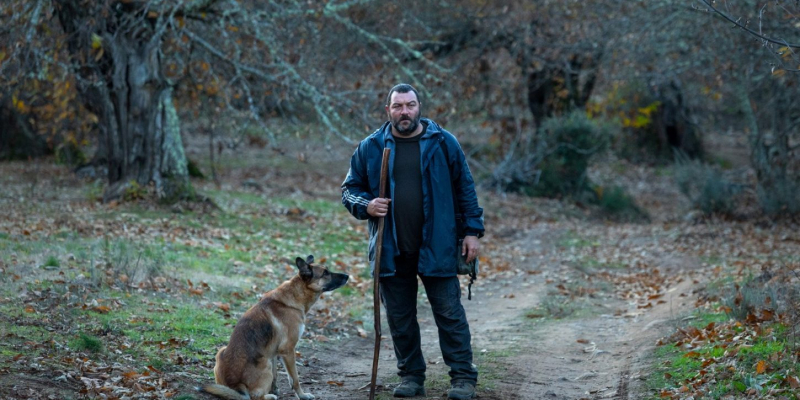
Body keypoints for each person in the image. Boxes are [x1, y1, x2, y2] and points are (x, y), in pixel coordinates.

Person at [341, 83, 484, 399]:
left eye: (410, 105)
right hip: (392, 249)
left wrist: (472, 231)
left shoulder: (443, 143)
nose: (404, 111)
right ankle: (411, 378)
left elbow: (466, 189)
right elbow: (348, 189)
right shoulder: (371, 147)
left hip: (438, 245)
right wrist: (366, 205)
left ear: (420, 106)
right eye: (398, 106)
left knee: (449, 315)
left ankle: (462, 378)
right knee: (400, 319)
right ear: (388, 110)